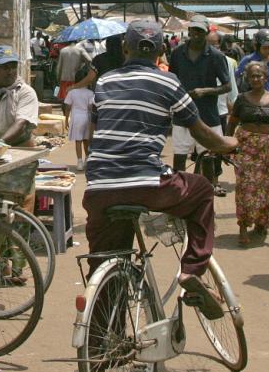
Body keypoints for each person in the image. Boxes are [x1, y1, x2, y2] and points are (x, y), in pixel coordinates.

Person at [82, 20, 237, 316]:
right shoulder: (169, 82)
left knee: (104, 265)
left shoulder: (104, 81)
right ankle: (192, 270)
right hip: (145, 184)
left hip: (100, 187)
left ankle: (100, 352)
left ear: (125, 48)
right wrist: (227, 144)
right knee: (203, 189)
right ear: (162, 51)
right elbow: (202, 134)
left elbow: (95, 129)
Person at [227, 61, 269, 245]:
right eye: (252, 76)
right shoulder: (241, 99)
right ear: (247, 79)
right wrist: (225, 146)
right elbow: (232, 123)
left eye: (259, 75)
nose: (256, 79)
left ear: (266, 78)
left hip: (267, 150)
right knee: (245, 187)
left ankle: (261, 223)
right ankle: (243, 227)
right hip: (246, 148)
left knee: (267, 188)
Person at [167, 14, 232, 194]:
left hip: (208, 115)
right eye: (193, 31)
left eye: (200, 32)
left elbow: (227, 86)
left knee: (208, 157)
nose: (195, 35)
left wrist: (206, 91)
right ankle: (178, 194)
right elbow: (172, 80)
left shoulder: (216, 56)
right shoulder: (177, 53)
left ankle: (207, 192)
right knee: (180, 156)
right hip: (183, 115)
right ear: (188, 31)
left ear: (206, 33)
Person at [63, 63, 96, 171]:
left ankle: (79, 162)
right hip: (87, 116)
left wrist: (66, 119)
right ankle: (88, 159)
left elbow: (67, 107)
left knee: (78, 140)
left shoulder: (72, 92)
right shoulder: (90, 93)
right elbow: (91, 107)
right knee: (86, 140)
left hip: (76, 117)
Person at [208, 29, 239, 132]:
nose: (210, 48)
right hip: (200, 113)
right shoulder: (197, 61)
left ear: (219, 45)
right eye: (207, 44)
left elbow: (233, 91)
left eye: (213, 44)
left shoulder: (228, 62)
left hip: (220, 112)